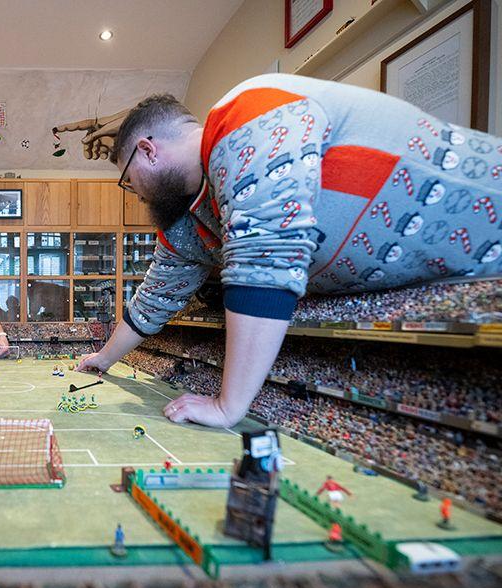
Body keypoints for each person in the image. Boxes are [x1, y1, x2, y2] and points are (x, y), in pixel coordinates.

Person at [75, 74, 501, 428]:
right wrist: (103, 359)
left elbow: (264, 261)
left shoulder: (246, 115)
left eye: (128, 179)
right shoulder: (187, 220)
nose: (134, 193)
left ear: (148, 150)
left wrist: (228, 406)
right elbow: (153, 301)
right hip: (451, 276)